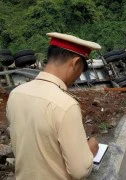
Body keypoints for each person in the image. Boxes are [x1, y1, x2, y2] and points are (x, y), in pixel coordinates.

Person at [6, 32, 101, 179]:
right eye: (80, 71)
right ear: (75, 63)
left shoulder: (16, 94)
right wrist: (90, 150)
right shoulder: (66, 105)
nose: (77, 78)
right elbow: (79, 171)